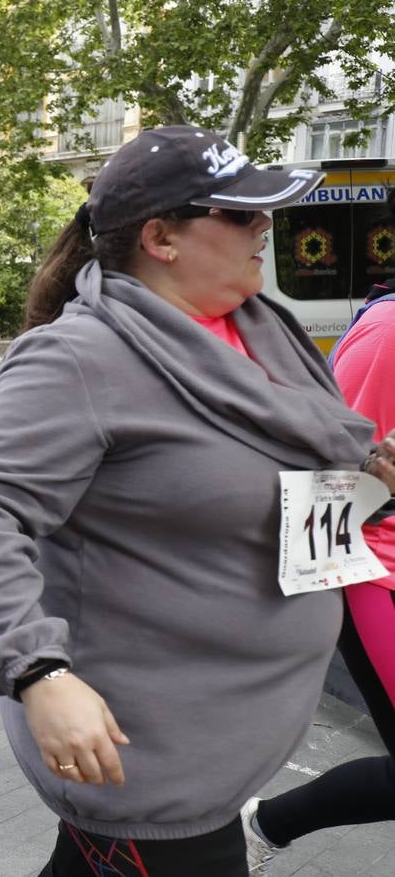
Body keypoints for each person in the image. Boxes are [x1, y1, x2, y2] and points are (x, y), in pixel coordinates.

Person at [0, 125, 395, 875]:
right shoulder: (77, 357)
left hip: (228, 741)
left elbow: (274, 512)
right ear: (161, 238)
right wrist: (37, 674)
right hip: (143, 761)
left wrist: (375, 485)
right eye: (240, 214)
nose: (265, 227)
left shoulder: (259, 329)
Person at [240, 193, 395, 873]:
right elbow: (322, 471)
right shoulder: (388, 334)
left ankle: (268, 824)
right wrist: (307, 622)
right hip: (374, 571)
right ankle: (267, 823)